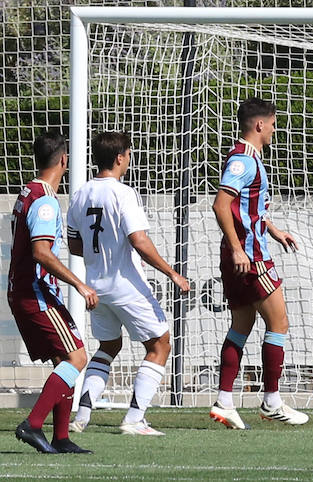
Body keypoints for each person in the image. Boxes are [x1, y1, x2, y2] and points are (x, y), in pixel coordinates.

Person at [67, 131, 190, 436]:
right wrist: (172, 273)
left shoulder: (79, 194)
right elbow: (138, 239)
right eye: (129, 154)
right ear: (120, 157)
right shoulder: (123, 193)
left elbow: (73, 244)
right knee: (160, 344)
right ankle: (134, 419)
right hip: (124, 284)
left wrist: (100, 256)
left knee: (109, 345)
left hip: (95, 286)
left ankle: (81, 417)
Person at [208, 97, 309, 429]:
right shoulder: (244, 160)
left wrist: (275, 230)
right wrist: (239, 249)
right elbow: (221, 205)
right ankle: (272, 401)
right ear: (260, 124)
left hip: (242, 253)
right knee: (279, 324)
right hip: (250, 258)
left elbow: (245, 210)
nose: (275, 130)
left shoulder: (246, 158)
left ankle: (224, 401)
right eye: (274, 123)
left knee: (241, 326)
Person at [8, 130, 97, 454]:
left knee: (65, 358)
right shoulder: (44, 200)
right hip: (35, 292)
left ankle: (61, 437)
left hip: (26, 291)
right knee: (77, 357)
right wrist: (79, 283)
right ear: (64, 160)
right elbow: (41, 252)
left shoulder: (27, 191)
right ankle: (32, 425)